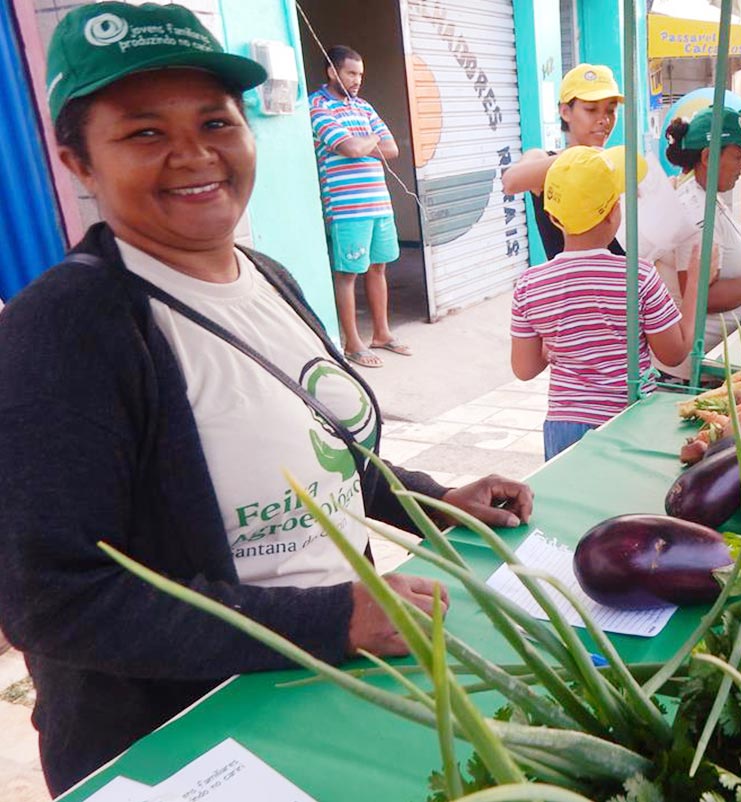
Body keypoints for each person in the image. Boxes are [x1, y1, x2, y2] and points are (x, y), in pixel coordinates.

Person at [0, 4, 533, 794]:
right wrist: (331, 620)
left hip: (323, 682)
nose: (193, 153)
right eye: (144, 132)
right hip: (191, 735)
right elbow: (51, 601)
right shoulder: (66, 328)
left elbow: (320, 448)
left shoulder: (270, 277)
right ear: (79, 162)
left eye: (216, 121)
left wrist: (432, 498)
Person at [510, 146, 701, 459]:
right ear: (615, 211)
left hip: (563, 425)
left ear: (553, 217)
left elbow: (525, 368)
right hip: (628, 418)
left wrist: (562, 340)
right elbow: (674, 352)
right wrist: (693, 285)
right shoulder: (638, 276)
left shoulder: (530, 284)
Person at [658, 106, 741, 378]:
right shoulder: (695, 210)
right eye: (738, 156)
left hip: (713, 362)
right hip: (690, 375)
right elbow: (702, 295)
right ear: (708, 156)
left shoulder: (709, 199)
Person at [309, 45, 409, 368]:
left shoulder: (363, 106)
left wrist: (360, 142)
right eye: (351, 73)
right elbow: (352, 148)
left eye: (360, 75)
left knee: (379, 267)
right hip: (347, 207)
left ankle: (382, 334)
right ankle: (352, 344)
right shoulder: (317, 106)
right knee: (348, 273)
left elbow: (392, 148)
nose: (357, 81)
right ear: (332, 71)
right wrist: (367, 140)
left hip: (379, 202)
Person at [500, 63, 626, 260]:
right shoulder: (544, 159)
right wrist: (579, 157)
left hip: (618, 286)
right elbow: (511, 181)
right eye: (591, 109)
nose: (604, 119)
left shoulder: (615, 164)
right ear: (565, 111)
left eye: (610, 110)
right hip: (567, 287)